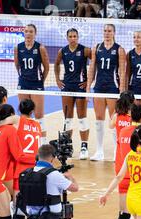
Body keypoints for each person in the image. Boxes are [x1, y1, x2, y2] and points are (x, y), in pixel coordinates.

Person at [86, 24, 126, 161]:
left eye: (109, 31)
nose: (107, 33)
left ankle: (117, 150)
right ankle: (99, 150)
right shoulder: (97, 48)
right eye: (105, 31)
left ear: (114, 32)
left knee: (114, 119)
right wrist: (87, 88)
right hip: (98, 87)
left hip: (112, 87)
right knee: (98, 118)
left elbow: (122, 71)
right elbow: (92, 68)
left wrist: (121, 89)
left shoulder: (119, 49)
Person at [54, 28, 91, 160]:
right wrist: (58, 79)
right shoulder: (62, 51)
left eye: (75, 36)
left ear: (78, 37)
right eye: (70, 36)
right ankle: (67, 148)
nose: (73, 38)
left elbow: (95, 63)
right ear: (67, 37)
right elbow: (56, 64)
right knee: (68, 119)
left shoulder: (85, 50)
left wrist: (88, 80)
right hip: (68, 87)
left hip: (80, 87)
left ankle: (84, 147)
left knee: (82, 119)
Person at [108, 91, 134, 219]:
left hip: (119, 161)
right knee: (133, 202)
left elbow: (110, 125)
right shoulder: (133, 120)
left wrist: (117, 113)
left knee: (123, 204)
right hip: (132, 162)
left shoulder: (117, 117)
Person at [14, 24, 49, 145]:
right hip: (23, 83)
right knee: (24, 114)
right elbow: (17, 65)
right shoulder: (18, 47)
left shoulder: (40, 48)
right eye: (26, 31)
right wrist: (23, 77)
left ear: (35, 33)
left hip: (36, 84)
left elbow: (47, 67)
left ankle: (43, 144)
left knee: (39, 115)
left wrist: (40, 81)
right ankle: (24, 142)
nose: (28, 34)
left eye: (31, 32)